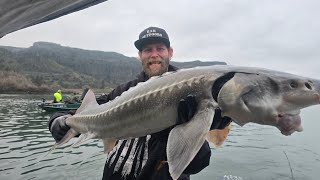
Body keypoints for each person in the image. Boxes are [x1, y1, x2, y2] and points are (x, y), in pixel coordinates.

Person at [48, 26, 232, 180]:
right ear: (140, 56)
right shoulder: (123, 91)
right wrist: (58, 120)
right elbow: (85, 113)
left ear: (170, 52)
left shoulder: (195, 93)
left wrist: (174, 130)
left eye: (160, 48)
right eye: (147, 50)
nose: (154, 55)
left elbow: (198, 164)